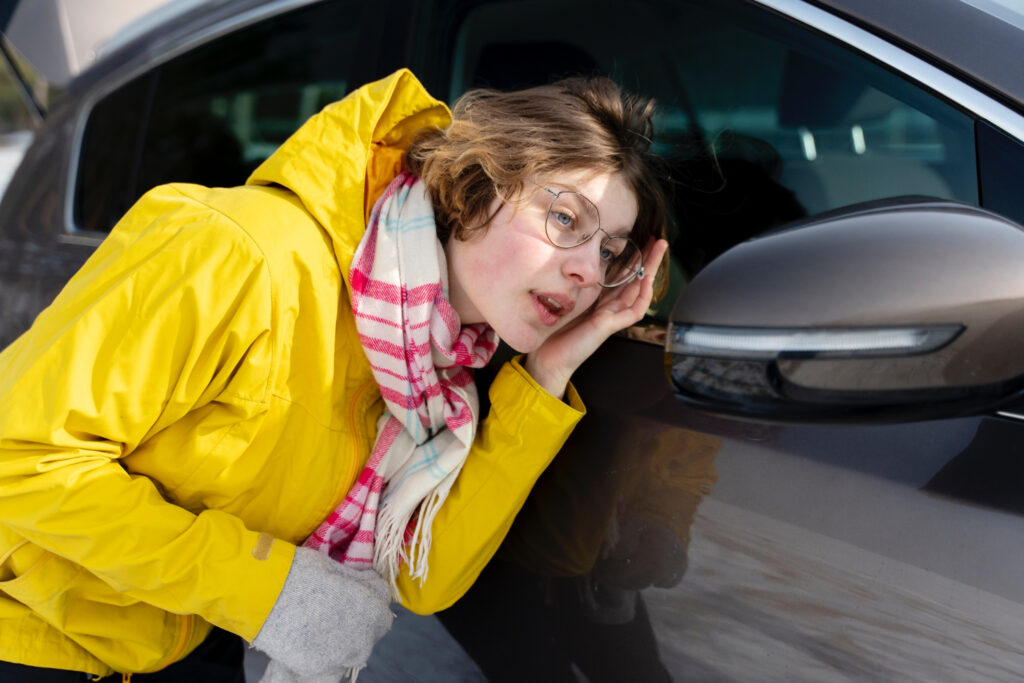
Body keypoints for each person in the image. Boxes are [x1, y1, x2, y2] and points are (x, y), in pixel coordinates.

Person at [0, 68, 668, 681]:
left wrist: (548, 373)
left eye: (610, 249)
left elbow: (421, 576)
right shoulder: (241, 254)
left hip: (173, 639)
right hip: (30, 633)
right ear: (478, 184)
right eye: (565, 219)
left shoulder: (440, 364)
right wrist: (268, 588)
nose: (587, 269)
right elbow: (17, 460)